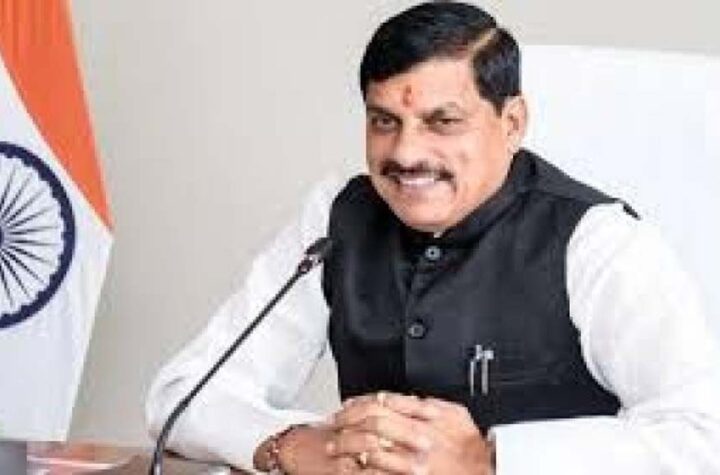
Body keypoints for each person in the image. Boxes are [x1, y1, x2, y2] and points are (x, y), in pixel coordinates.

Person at [146, 2, 720, 474]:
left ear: (512, 123)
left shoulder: (598, 241)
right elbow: (181, 396)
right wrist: (294, 445)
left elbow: (703, 436)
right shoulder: (337, 216)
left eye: (443, 122)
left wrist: (489, 460)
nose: (406, 153)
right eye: (384, 121)